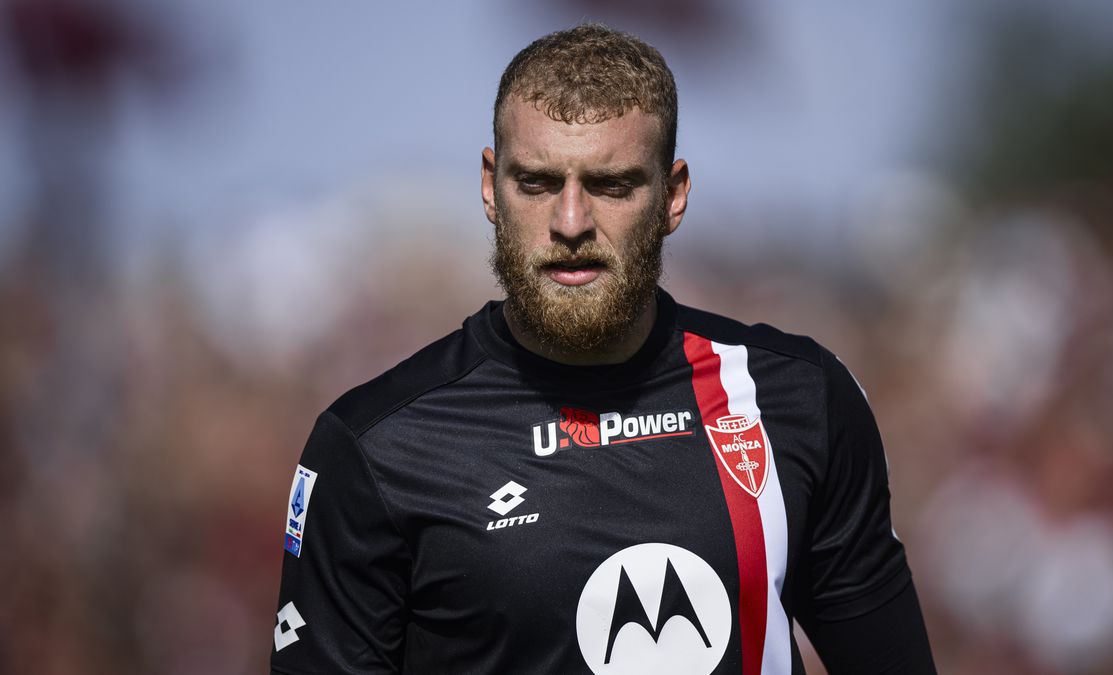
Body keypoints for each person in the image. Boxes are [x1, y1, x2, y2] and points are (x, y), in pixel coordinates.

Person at [270, 23, 937, 675]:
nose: (569, 223)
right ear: (489, 185)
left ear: (673, 196)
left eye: (611, 185)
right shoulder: (375, 447)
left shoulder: (798, 398)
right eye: (535, 183)